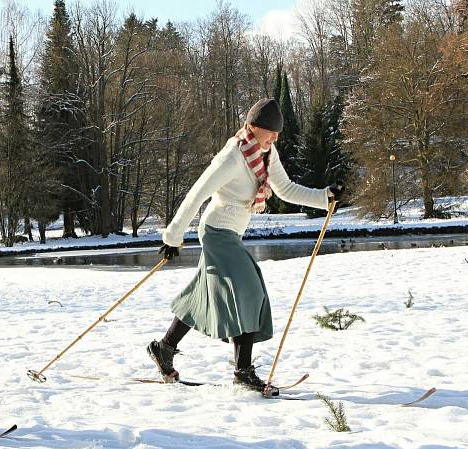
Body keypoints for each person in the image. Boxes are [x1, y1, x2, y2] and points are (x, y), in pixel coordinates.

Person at [146, 98, 343, 395]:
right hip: (216, 232)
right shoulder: (232, 157)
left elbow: (286, 189)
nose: (275, 137)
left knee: (201, 296)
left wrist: (323, 196)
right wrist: (173, 238)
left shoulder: (265, 153)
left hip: (232, 234)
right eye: (270, 131)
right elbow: (197, 194)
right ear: (251, 127)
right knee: (250, 290)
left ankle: (164, 348)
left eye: (277, 132)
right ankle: (243, 371)